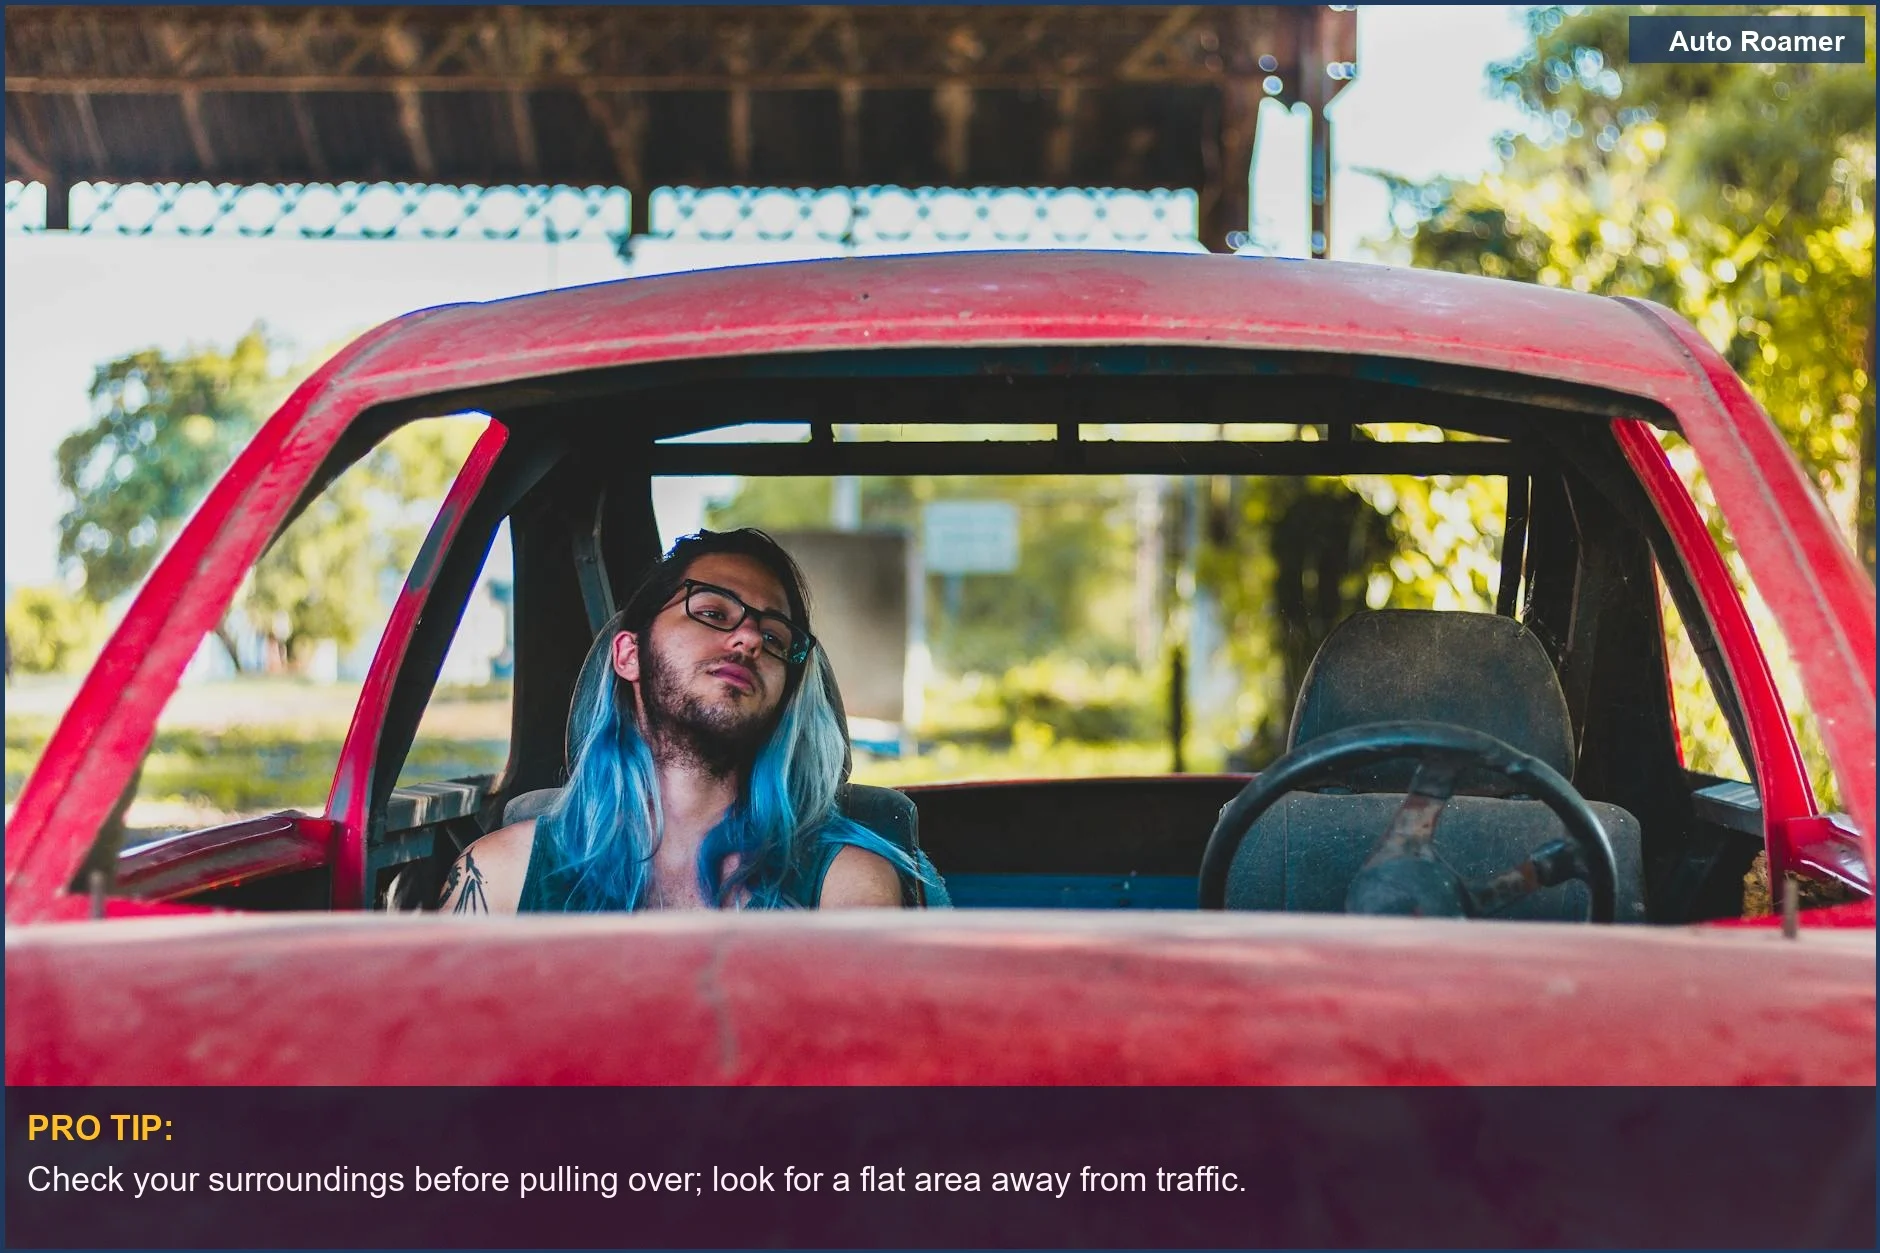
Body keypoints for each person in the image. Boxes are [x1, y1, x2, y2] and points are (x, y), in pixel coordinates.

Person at [439, 528, 934, 913]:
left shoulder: (844, 885)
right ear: (630, 655)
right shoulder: (498, 877)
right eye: (713, 612)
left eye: (776, 637)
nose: (749, 640)